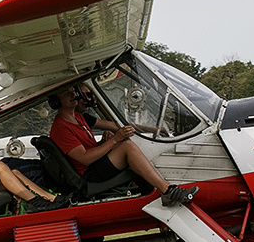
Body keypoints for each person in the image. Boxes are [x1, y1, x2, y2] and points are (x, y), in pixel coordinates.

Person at [48, 83, 198, 206]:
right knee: (127, 147)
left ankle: (154, 186)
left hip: (95, 165)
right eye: (67, 94)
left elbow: (115, 126)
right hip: (89, 174)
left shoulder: (80, 118)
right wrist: (114, 140)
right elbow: (85, 158)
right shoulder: (61, 127)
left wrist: (153, 129)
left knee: (125, 141)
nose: (74, 95)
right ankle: (167, 191)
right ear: (56, 102)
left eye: (73, 92)